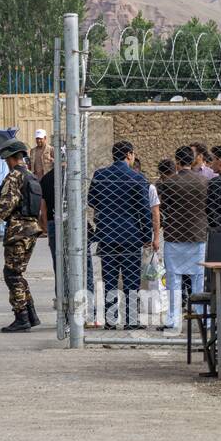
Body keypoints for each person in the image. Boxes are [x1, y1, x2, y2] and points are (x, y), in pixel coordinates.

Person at [86, 141, 152, 329]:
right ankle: (131, 320)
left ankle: (110, 319)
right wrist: (147, 236)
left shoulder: (100, 175)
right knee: (131, 280)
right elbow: (144, 211)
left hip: (107, 234)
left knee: (110, 280)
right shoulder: (137, 178)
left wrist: (107, 210)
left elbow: (92, 200)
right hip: (131, 235)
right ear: (129, 155)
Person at [0, 140, 43, 332]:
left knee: (12, 274)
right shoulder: (30, 175)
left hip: (18, 231)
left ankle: (22, 317)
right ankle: (30, 315)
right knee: (17, 273)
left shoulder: (14, 177)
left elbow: (7, 203)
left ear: (9, 157)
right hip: (30, 229)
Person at [156, 146, 208, 333]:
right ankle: (204, 318)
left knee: (174, 279)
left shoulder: (169, 183)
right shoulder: (203, 181)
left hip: (175, 234)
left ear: (177, 162)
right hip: (197, 234)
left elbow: (164, 209)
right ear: (192, 160)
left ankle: (173, 320)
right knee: (198, 279)